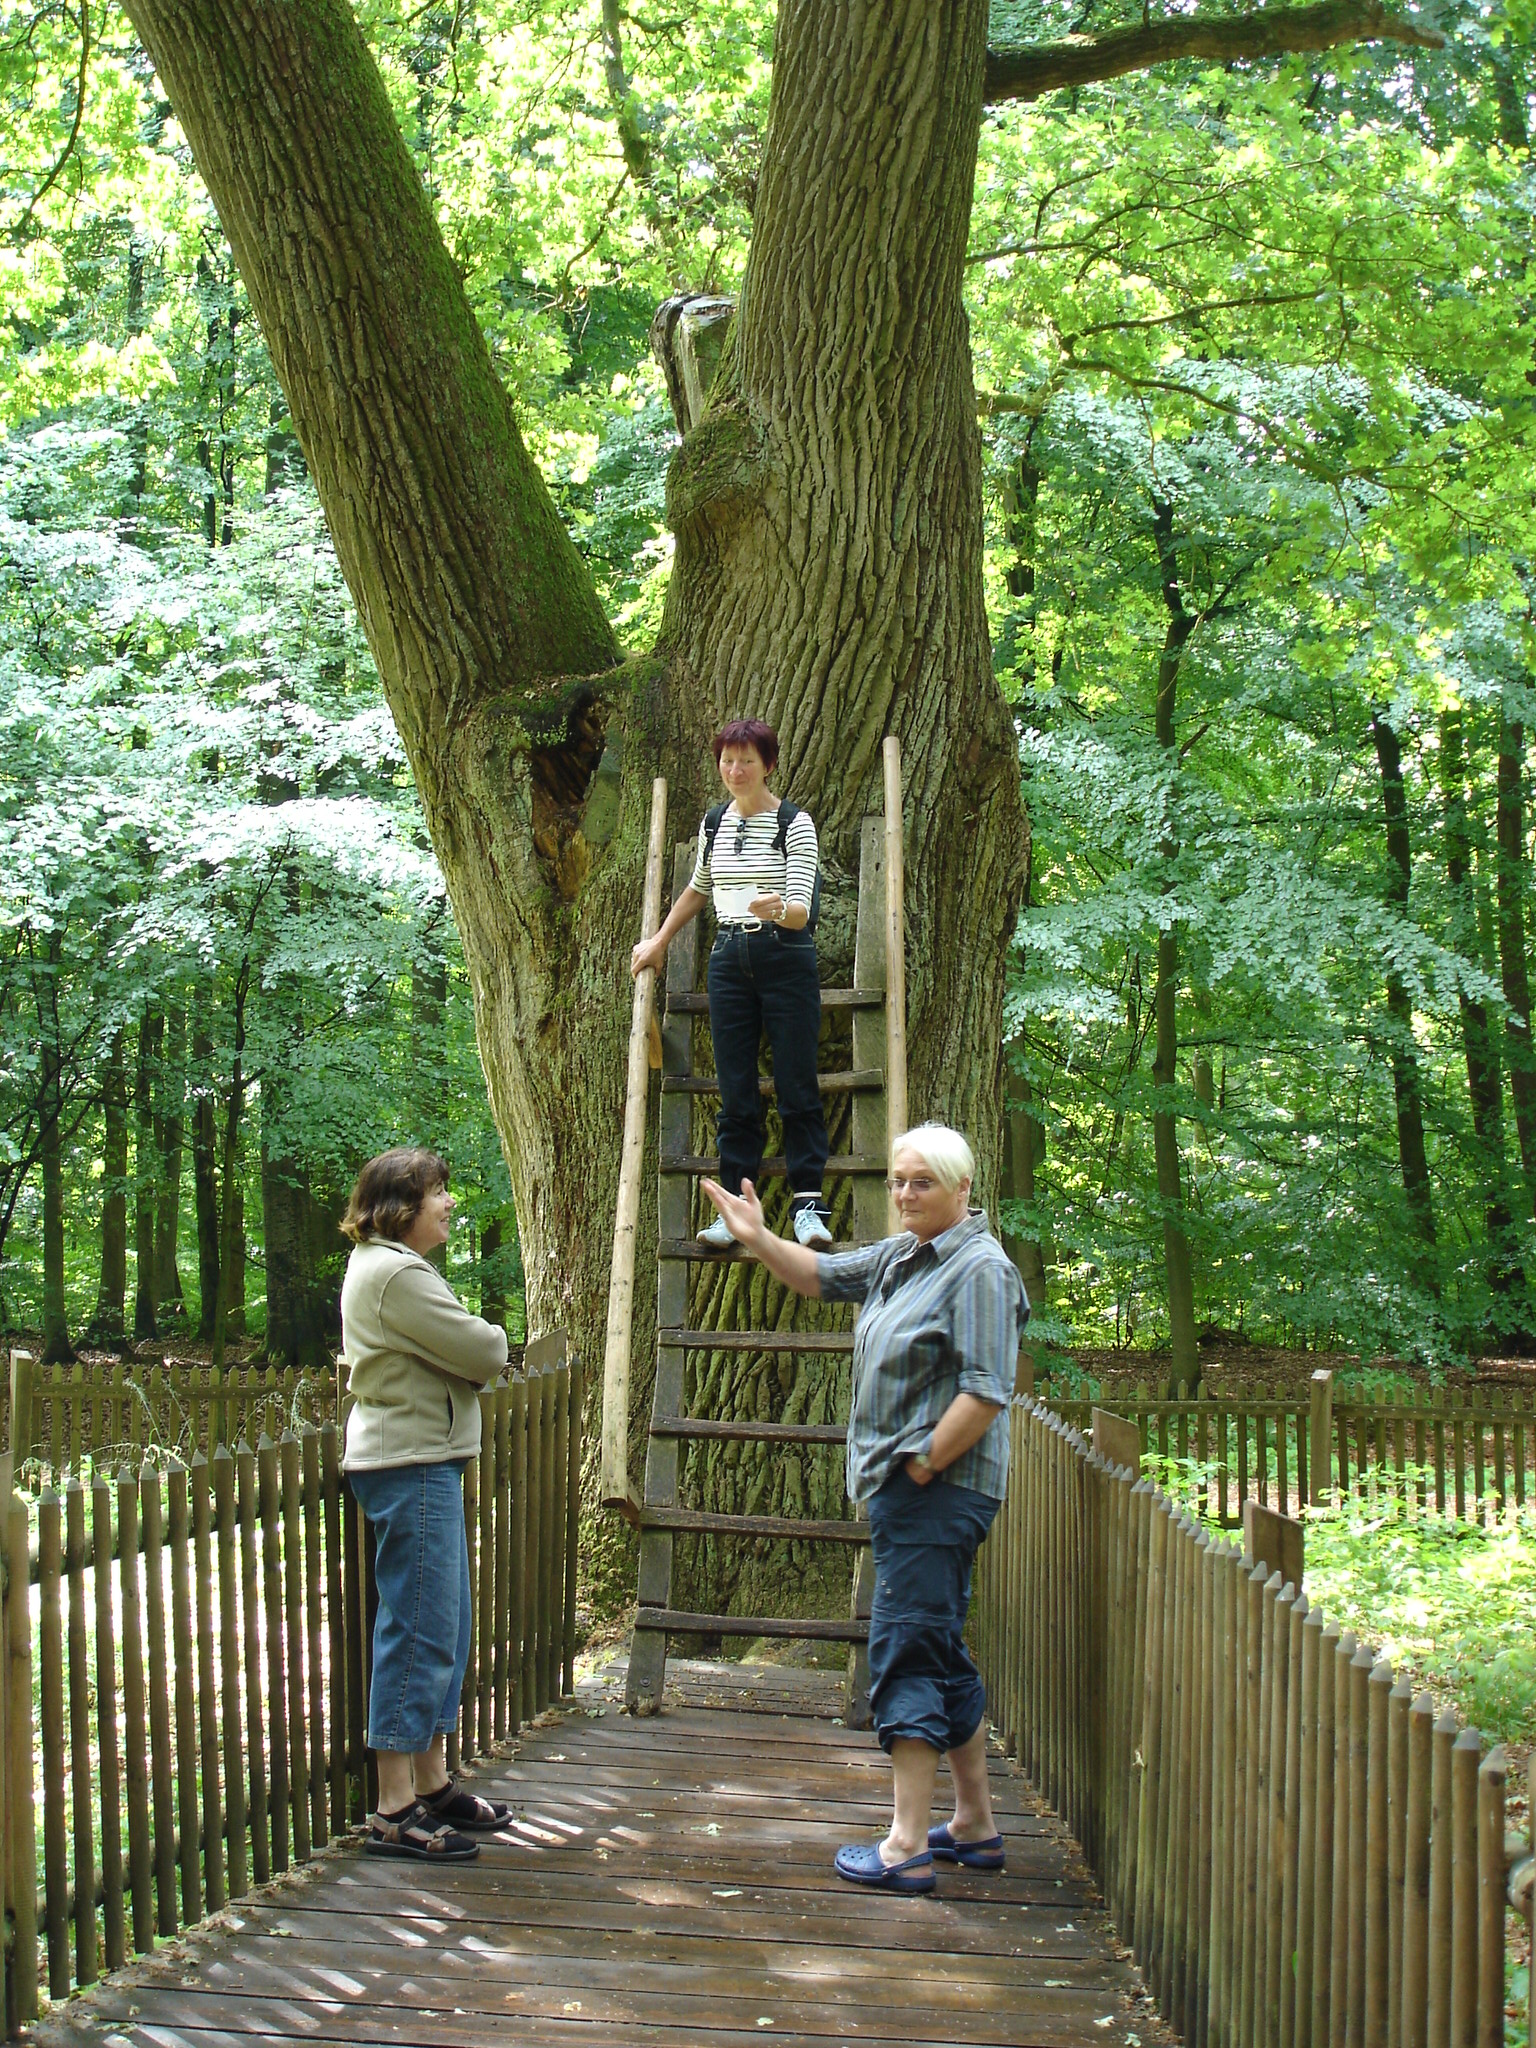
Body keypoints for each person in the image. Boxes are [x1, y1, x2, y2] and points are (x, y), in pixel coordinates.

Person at [700, 1122, 1027, 1895]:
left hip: (937, 1494)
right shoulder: (902, 1256)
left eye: (923, 1182)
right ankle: (974, 1825)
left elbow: (986, 1390)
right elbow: (818, 1276)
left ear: (963, 1190)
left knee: (907, 1650)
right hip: (910, 1491)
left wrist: (921, 1465)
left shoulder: (978, 1268)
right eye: (899, 1180)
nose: (906, 1194)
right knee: (939, 1646)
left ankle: (905, 1843)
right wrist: (757, 1237)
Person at [339, 1146, 514, 1861]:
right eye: (438, 1193)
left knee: (443, 1622)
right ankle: (392, 1806)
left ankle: (433, 1781)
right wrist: (488, 1342)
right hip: (408, 1464)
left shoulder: (398, 1270)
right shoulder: (395, 1273)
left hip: (423, 1461)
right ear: (399, 1207)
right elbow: (484, 1351)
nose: (448, 1204)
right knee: (416, 1630)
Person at [631, 717, 832, 1250]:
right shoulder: (715, 822)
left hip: (785, 955)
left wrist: (779, 909)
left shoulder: (795, 823)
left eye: (747, 760)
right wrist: (659, 940)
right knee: (735, 1089)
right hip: (727, 958)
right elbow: (700, 887)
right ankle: (737, 1210)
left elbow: (801, 912)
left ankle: (807, 1205)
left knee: (795, 1082)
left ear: (768, 765)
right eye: (727, 759)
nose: (735, 769)